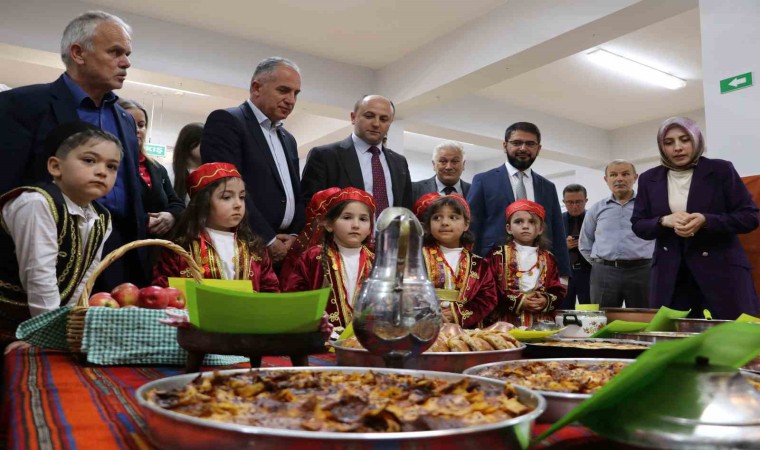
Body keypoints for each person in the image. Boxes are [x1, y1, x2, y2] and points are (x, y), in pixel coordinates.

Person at [0, 11, 148, 289]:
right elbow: (7, 184)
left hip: (118, 253)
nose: (126, 62)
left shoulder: (126, 119)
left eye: (127, 54)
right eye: (115, 52)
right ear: (78, 53)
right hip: (48, 252)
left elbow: (130, 190)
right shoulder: (21, 105)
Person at [0, 121, 120, 350]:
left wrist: (67, 328)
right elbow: (39, 274)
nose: (102, 171)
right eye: (89, 160)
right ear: (56, 166)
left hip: (41, 320)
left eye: (112, 166)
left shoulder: (102, 217)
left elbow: (84, 280)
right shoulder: (36, 203)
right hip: (7, 319)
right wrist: (47, 335)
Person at [632, 117, 760, 319]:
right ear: (661, 147)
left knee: (730, 335)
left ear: (696, 140)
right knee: (673, 336)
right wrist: (663, 221)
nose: (677, 147)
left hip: (722, 272)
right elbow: (638, 224)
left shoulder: (721, 170)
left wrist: (706, 220)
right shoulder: (649, 179)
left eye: (685, 140)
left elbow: (749, 217)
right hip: (671, 276)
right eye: (669, 142)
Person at [201, 57, 305, 265]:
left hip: (285, 250)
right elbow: (226, 191)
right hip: (243, 245)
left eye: (296, 93)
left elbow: (296, 193)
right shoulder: (227, 122)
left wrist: (294, 235)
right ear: (256, 88)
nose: (291, 100)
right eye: (283, 90)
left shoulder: (289, 139)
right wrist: (268, 239)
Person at [152, 163, 279, 292]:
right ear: (203, 203)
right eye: (226, 197)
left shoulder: (254, 247)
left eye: (242, 197)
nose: (238, 204)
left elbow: (270, 290)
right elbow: (163, 291)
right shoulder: (180, 248)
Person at [467, 122, 570, 278]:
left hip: (538, 270)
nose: (523, 148)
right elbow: (471, 228)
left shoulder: (547, 186)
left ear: (538, 149)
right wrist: (470, 270)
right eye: (516, 143)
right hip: (492, 269)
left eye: (530, 144)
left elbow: (557, 231)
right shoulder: (483, 180)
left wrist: (563, 274)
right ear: (505, 146)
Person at [300, 95, 413, 214]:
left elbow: (405, 210)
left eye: (383, 119)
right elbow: (310, 207)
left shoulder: (399, 163)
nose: (376, 123)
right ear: (353, 117)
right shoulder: (325, 156)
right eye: (369, 116)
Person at [282, 188, 376, 330]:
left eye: (363, 219)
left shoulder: (375, 262)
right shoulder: (313, 256)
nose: (356, 225)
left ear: (370, 229)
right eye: (347, 217)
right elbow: (294, 297)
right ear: (329, 224)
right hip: (321, 337)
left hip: (364, 339)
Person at [413, 193, 497, 328]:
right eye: (437, 218)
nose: (445, 223)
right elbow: (407, 293)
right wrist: (430, 313)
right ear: (428, 226)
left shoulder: (480, 264)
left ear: (466, 225)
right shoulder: (416, 259)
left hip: (466, 331)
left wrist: (456, 313)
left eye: (453, 217)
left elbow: (488, 299)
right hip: (425, 328)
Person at [579, 160, 654, 308]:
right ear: (606, 179)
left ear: (635, 177)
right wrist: (601, 264)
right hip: (604, 272)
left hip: (642, 271)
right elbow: (585, 243)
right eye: (613, 175)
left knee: (643, 316)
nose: (619, 179)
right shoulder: (596, 209)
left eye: (625, 174)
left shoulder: (649, 207)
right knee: (603, 317)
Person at [485, 200, 566, 328]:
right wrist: (519, 302)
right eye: (518, 222)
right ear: (509, 228)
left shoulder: (548, 258)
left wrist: (545, 300)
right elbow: (488, 289)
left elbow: (557, 290)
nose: (525, 226)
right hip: (506, 322)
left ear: (540, 229)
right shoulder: (497, 255)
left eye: (532, 222)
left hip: (540, 323)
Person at [118, 99, 184, 238]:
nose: (137, 130)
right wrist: (144, 221)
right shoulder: (111, 165)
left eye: (141, 125)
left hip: (156, 244)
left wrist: (171, 215)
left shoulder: (157, 168)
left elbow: (177, 202)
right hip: (121, 241)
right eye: (129, 123)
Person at [560, 184, 591, 309]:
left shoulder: (593, 219)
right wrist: (563, 247)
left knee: (590, 310)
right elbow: (547, 247)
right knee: (563, 311)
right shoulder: (557, 220)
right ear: (564, 202)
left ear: (586, 200)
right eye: (570, 202)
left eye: (578, 202)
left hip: (589, 272)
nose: (574, 206)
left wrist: (586, 244)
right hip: (565, 273)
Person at [168, 122, 203, 205]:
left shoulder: (212, 172)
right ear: (189, 143)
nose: (208, 146)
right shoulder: (169, 172)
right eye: (203, 141)